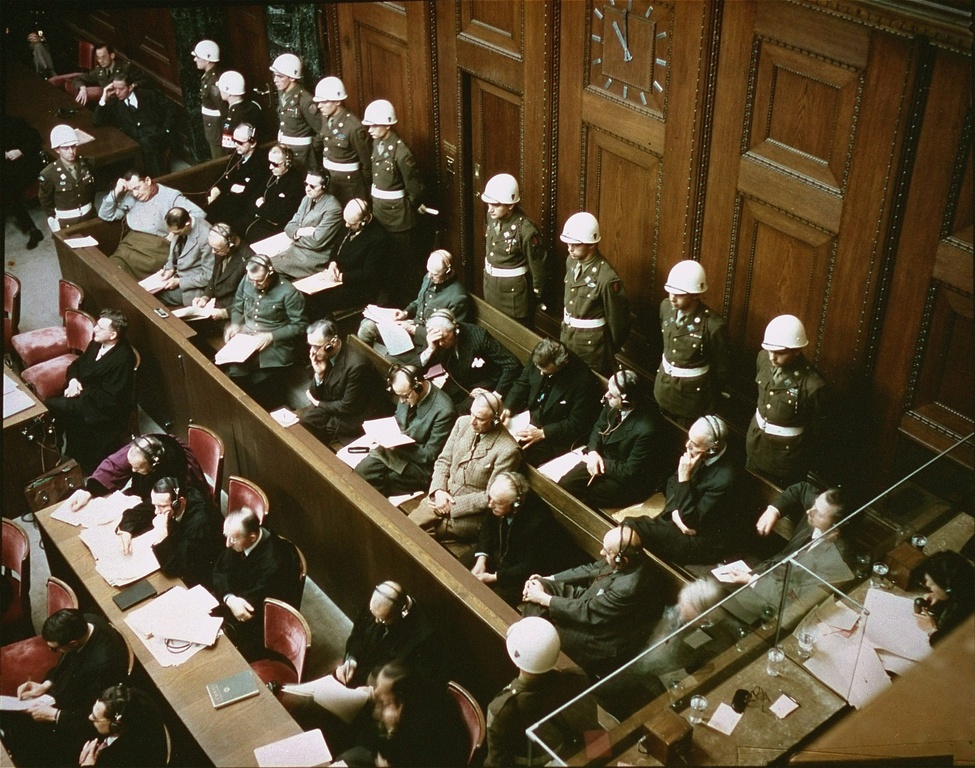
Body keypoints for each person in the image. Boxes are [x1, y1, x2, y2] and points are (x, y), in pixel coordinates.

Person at [281, 582, 442, 728]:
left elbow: (410, 685)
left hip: (380, 694)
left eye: (383, 620)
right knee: (311, 702)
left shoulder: (423, 638)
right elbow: (357, 635)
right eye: (374, 615)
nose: (376, 622)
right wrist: (351, 659)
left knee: (328, 720)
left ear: (402, 612)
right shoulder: (378, 605)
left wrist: (375, 690)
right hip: (357, 676)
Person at [521, 526, 663, 677]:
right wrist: (546, 579)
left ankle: (532, 646)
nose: (601, 553)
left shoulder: (629, 587)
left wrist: (542, 598)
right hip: (593, 602)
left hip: (601, 636)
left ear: (622, 560)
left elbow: (587, 610)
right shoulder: (625, 558)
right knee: (540, 587)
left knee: (549, 627)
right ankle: (534, 634)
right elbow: (590, 569)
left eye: (606, 552)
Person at [3, 610, 129, 767]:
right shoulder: (87, 619)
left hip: (79, 717)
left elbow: (92, 714)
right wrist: (46, 684)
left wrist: (55, 715)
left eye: (55, 649)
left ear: (73, 643)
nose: (51, 652)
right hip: (68, 692)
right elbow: (68, 660)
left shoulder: (103, 665)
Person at [408, 391, 521, 544]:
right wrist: (439, 491)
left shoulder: (508, 450)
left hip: (465, 516)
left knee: (414, 537)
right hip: (438, 499)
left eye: (480, 419)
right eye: (472, 414)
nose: (472, 422)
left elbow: (491, 495)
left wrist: (451, 505)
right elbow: (443, 461)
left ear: (495, 421)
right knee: (405, 529)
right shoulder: (462, 423)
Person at [623, 415, 738, 565]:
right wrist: (674, 512)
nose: (687, 445)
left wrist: (684, 479)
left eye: (694, 444)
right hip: (679, 520)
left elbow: (692, 522)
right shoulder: (698, 453)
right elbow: (671, 482)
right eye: (689, 439)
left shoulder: (725, 478)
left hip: (700, 540)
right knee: (627, 533)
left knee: (630, 527)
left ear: (712, 449)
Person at [485, 618, 590, 767]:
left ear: (515, 658)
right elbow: (591, 728)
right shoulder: (576, 679)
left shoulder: (503, 709)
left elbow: (497, 763)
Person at [45, 309, 136, 474]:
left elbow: (111, 398)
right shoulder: (97, 342)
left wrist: (80, 391)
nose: (94, 329)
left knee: (50, 407)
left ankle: (54, 452)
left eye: (100, 328)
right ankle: (55, 450)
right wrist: (73, 381)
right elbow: (77, 365)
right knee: (53, 407)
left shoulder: (123, 359)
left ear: (113, 335)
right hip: (83, 394)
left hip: (101, 408)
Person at [470, 472, 578, 607]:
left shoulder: (540, 522)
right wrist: (481, 560)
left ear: (515, 504)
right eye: (490, 498)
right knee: (458, 567)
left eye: (497, 503)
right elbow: (487, 528)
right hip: (501, 554)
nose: (490, 505)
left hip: (524, 574)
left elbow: (530, 566)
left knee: (486, 602)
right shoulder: (497, 501)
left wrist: (492, 577)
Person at [337, 660, 470, 768]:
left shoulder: (423, 738)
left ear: (401, 707)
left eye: (384, 702)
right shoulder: (410, 712)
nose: (378, 708)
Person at [211, 507, 303, 660]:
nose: (227, 544)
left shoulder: (274, 563)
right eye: (226, 536)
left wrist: (230, 599)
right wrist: (229, 598)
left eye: (232, 539)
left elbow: (250, 605)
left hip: (261, 617)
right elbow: (220, 570)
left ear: (252, 538)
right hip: (237, 599)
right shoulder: (240, 538)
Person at [746, 314, 828, 486]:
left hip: (784, 459)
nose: (772, 358)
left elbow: (817, 430)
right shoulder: (763, 359)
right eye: (770, 350)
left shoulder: (812, 385)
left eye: (780, 353)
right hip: (756, 445)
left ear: (796, 351)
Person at [559, 370, 660, 509]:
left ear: (626, 401)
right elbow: (598, 428)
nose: (606, 396)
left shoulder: (647, 429)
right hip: (600, 458)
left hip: (623, 479)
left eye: (611, 395)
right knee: (565, 484)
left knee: (581, 498)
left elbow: (630, 472)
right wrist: (593, 452)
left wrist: (600, 462)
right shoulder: (613, 403)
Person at [362, 99, 430, 303]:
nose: (370, 130)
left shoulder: (401, 153)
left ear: (388, 124)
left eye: (375, 125)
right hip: (380, 211)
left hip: (398, 217)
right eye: (369, 125)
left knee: (404, 263)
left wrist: (414, 205)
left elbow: (414, 187)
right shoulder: (377, 143)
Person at [355, 364, 457, 496]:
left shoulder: (444, 410)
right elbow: (399, 418)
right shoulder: (405, 392)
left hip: (418, 465)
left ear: (419, 387)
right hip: (394, 451)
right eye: (399, 396)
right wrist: (386, 433)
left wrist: (396, 446)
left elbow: (429, 454)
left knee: (373, 483)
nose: (402, 401)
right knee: (361, 472)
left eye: (405, 396)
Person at [223, 253, 306, 406]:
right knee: (235, 377)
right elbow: (238, 306)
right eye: (252, 280)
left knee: (261, 388)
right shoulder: (247, 280)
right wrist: (235, 324)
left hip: (274, 346)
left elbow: (300, 326)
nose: (255, 284)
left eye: (260, 280)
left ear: (271, 273)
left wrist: (271, 336)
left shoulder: (289, 292)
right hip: (246, 338)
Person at [653, 260, 729, 424]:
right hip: (664, 390)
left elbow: (721, 369)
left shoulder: (712, 326)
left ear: (695, 294)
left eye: (679, 294)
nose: (672, 298)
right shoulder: (665, 308)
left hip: (691, 400)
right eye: (670, 292)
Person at [504, 338, 602, 466]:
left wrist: (544, 433)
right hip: (526, 418)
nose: (540, 372)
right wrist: (508, 408)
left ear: (562, 364)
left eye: (545, 370)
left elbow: (577, 422)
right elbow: (523, 383)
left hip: (553, 434)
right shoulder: (540, 354)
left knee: (516, 456)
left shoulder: (583, 380)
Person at [116, 476, 224, 588]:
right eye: (155, 505)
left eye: (162, 506)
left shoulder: (200, 523)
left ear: (179, 502)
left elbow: (176, 567)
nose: (157, 511)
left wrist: (162, 536)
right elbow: (142, 510)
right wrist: (126, 529)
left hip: (203, 573)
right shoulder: (168, 498)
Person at [98, 170, 206, 280]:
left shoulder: (170, 196)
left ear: (148, 181)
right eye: (131, 190)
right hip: (130, 244)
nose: (135, 194)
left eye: (137, 188)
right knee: (110, 268)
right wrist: (116, 192)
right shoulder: (131, 197)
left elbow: (199, 214)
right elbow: (105, 215)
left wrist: (176, 232)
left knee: (125, 279)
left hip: (156, 248)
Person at [357, 249, 470, 355]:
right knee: (367, 324)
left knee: (368, 330)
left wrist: (413, 330)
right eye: (428, 271)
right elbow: (419, 301)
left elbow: (448, 336)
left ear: (447, 272)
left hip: (426, 343)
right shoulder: (429, 277)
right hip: (411, 325)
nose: (429, 277)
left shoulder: (458, 297)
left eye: (435, 274)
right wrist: (405, 313)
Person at [559, 212, 630, 375]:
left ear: (591, 244)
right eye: (568, 244)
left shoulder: (606, 278)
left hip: (592, 347)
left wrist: (607, 346)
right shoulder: (571, 262)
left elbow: (618, 322)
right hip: (568, 337)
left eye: (576, 245)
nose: (570, 249)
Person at [65, 433, 207, 510]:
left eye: (138, 468)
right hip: (142, 494)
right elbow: (115, 465)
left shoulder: (176, 469)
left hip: (166, 502)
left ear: (153, 465)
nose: (132, 470)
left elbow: (165, 504)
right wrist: (89, 491)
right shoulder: (142, 448)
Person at [418, 309, 521, 414]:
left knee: (454, 414)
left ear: (456, 330)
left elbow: (512, 364)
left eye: (444, 338)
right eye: (437, 340)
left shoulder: (479, 337)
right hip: (457, 382)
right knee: (433, 406)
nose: (440, 343)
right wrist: (429, 350)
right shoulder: (434, 338)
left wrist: (495, 395)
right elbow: (417, 369)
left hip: (483, 384)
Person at [298, 318, 380, 446]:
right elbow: (317, 394)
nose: (312, 351)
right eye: (311, 345)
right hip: (335, 402)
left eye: (317, 346)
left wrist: (318, 403)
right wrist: (319, 375)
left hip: (358, 413)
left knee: (321, 431)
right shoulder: (325, 356)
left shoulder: (357, 365)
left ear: (333, 342)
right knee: (304, 421)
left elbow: (347, 406)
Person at [481, 173, 548, 325]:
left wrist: (537, 294)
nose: (490, 209)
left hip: (513, 299)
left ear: (510, 205)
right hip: (491, 289)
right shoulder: (492, 216)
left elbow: (538, 267)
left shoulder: (526, 230)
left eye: (496, 205)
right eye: (488, 204)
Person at [310, 198, 389, 315]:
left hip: (358, 287)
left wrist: (341, 277)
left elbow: (369, 274)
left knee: (318, 303)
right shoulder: (349, 222)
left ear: (364, 221)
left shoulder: (379, 239)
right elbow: (336, 247)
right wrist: (333, 263)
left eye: (351, 224)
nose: (346, 225)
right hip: (336, 277)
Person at [93, 72, 175, 177]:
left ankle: (157, 180)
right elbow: (96, 121)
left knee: (148, 144)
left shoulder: (147, 95)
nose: (117, 92)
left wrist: (167, 129)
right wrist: (104, 95)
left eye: (121, 89)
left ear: (130, 87)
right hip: (134, 142)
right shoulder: (114, 104)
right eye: (115, 88)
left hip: (157, 135)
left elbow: (170, 108)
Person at [273, 167, 344, 280]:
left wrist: (295, 235)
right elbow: (289, 226)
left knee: (269, 267)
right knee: (264, 264)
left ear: (324, 186)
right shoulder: (307, 199)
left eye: (312, 186)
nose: (307, 189)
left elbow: (317, 242)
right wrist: (302, 231)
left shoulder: (333, 208)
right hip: (295, 249)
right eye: (306, 184)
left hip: (312, 257)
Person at [313, 76, 372, 205]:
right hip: (330, 179)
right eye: (319, 102)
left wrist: (367, 187)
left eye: (324, 102)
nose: (319, 106)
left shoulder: (354, 126)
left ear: (338, 101)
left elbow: (367, 162)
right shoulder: (326, 117)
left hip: (349, 184)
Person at [78, 684, 168, 768]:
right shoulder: (132, 702)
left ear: (115, 726)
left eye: (95, 718)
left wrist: (87, 765)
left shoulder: (122, 757)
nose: (90, 717)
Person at [239, 144, 305, 243]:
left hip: (273, 228)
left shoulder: (295, 183)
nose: (270, 167)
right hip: (256, 218)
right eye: (270, 162)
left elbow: (278, 216)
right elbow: (253, 197)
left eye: (275, 164)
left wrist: (260, 206)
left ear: (287, 163)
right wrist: (261, 208)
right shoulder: (272, 174)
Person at [207, 123, 268, 229]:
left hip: (240, 207)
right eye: (234, 141)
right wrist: (231, 187)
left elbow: (248, 192)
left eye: (240, 142)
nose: (236, 145)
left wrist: (227, 185)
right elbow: (219, 177)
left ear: (252, 143)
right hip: (226, 198)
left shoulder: (260, 163)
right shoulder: (237, 155)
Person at [38, 124, 97, 231]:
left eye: (73, 146)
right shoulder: (49, 174)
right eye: (65, 148)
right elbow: (45, 199)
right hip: (67, 224)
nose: (71, 151)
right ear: (57, 150)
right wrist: (54, 217)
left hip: (89, 217)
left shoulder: (87, 165)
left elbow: (92, 189)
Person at [269, 53, 320, 171]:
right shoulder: (283, 94)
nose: (275, 80)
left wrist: (310, 148)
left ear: (292, 78)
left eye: (280, 76)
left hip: (301, 155)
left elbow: (322, 130)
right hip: (285, 150)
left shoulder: (305, 100)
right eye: (274, 75)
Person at [192, 222, 253, 320]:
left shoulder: (249, 260)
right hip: (215, 305)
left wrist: (224, 313)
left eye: (216, 250)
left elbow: (249, 300)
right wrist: (205, 297)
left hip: (233, 312)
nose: (213, 252)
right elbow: (215, 276)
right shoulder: (220, 248)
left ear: (231, 245)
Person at [913, 551, 975, 645]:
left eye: (932, 586)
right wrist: (941, 596)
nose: (927, 586)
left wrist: (932, 629)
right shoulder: (966, 585)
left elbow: (956, 649)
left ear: (949, 589)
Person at [155, 206, 214, 307]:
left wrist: (180, 281)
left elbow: (209, 275)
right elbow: (175, 252)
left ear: (187, 224)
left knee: (155, 298)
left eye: (176, 233)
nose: (172, 236)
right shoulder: (180, 228)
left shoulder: (206, 236)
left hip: (191, 285)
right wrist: (169, 269)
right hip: (176, 275)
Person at [2, 115, 45, 249]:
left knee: (8, 191)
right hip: (7, 167)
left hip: (26, 163)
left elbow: (36, 138)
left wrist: (20, 151)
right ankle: (32, 229)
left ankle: (32, 230)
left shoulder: (12, 122)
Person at [192, 39, 225, 159]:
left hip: (216, 128)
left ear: (207, 59)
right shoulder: (208, 76)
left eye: (197, 57)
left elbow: (223, 107)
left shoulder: (213, 81)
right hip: (212, 126)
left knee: (218, 158)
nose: (195, 59)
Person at [217, 70, 264, 151]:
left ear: (229, 93)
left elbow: (229, 149)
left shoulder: (231, 118)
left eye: (221, 89)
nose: (220, 91)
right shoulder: (253, 106)